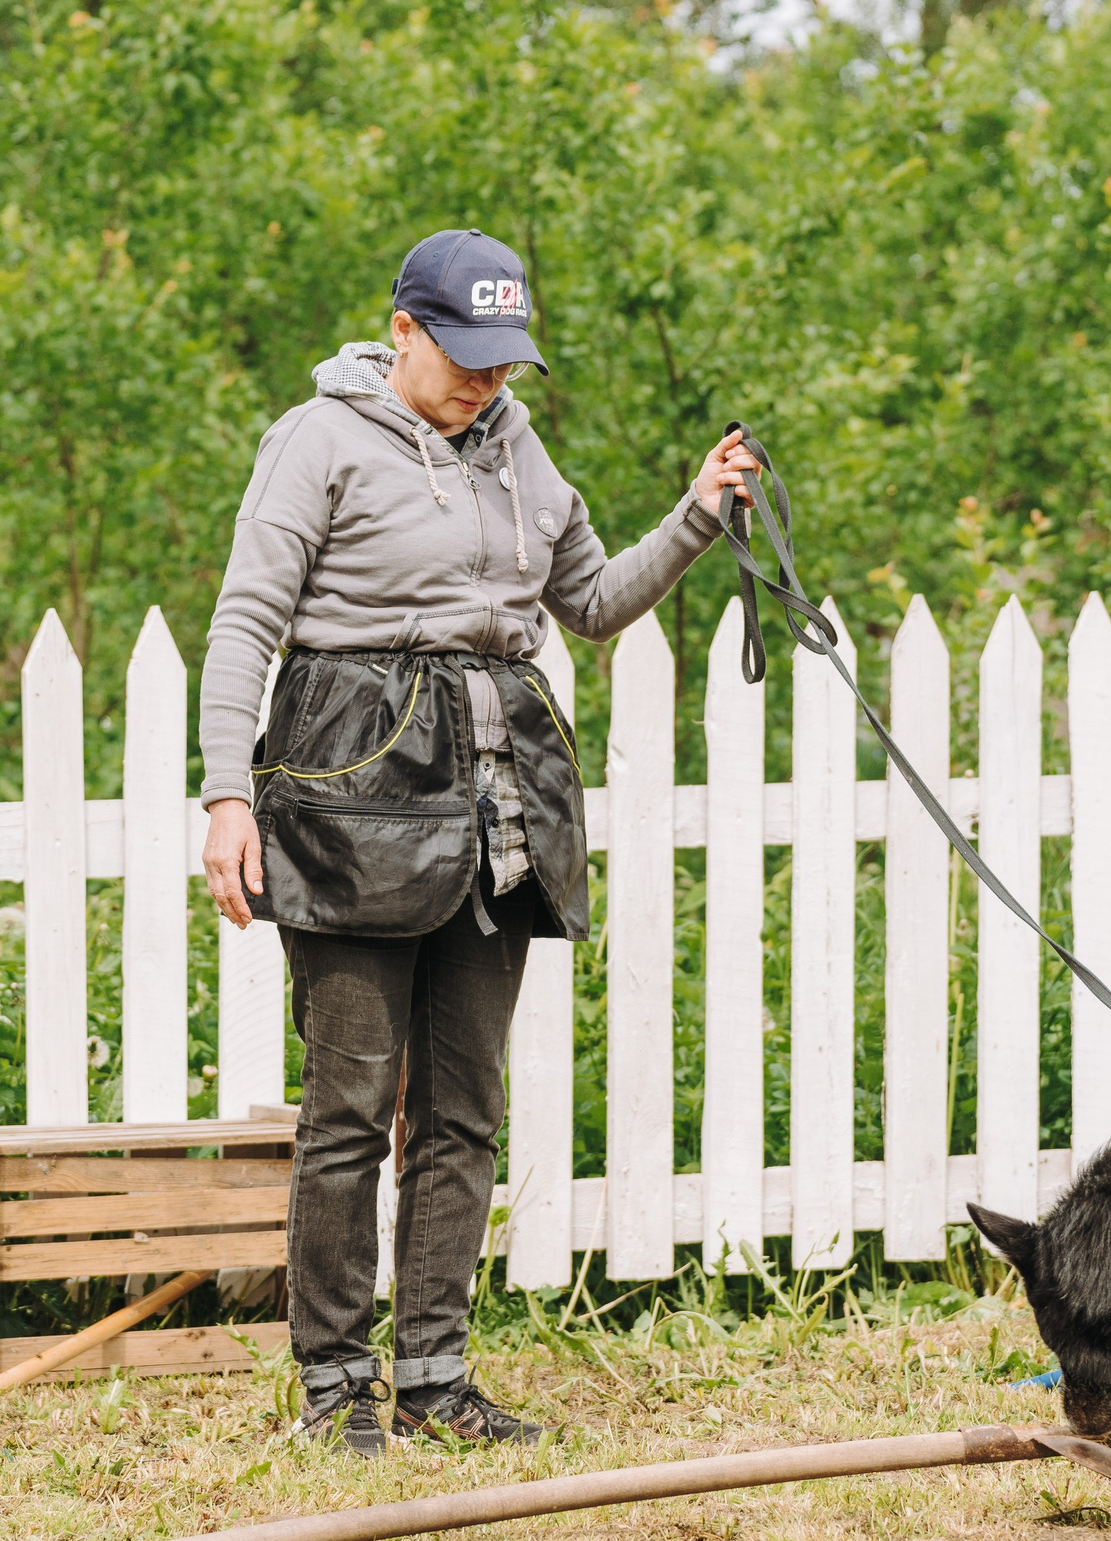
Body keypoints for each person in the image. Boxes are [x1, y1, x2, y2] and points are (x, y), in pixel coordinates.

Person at [198, 229, 754, 1455]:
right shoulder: (317, 440)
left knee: (462, 1109)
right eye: (464, 357)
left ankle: (436, 1377)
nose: (485, 384)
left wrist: (700, 512)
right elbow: (247, 618)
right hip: (353, 779)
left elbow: (593, 603)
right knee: (350, 1106)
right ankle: (336, 1387)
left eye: (504, 364)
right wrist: (226, 795)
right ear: (401, 329)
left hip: (495, 785)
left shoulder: (518, 448)